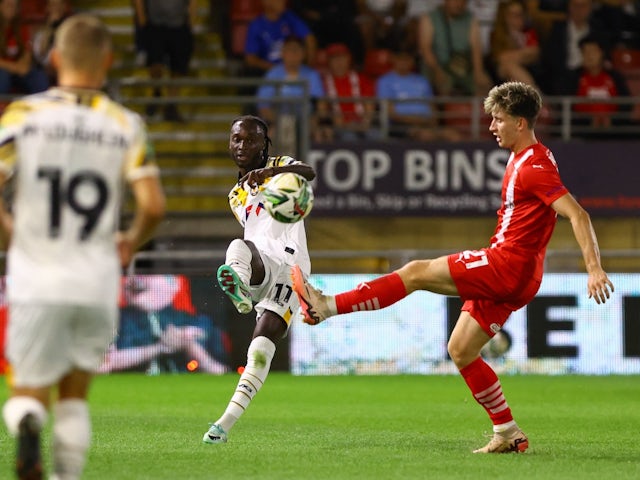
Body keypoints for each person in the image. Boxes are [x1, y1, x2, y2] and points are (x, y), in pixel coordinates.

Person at [291, 81, 614, 454]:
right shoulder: (532, 157)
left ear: (521, 123)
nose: (492, 126)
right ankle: (507, 432)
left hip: (507, 264)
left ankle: (326, 306)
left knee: (414, 272)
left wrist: (594, 268)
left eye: (499, 119)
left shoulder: (534, 167)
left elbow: (577, 213)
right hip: (520, 275)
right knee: (461, 349)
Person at [0, 14, 165, 480]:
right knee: (75, 396)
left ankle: (29, 422)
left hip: (36, 274)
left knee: (29, 392)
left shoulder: (23, 116)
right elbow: (153, 205)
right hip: (94, 278)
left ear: (53, 59)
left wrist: (9, 233)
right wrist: (129, 241)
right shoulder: (125, 124)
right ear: (108, 62)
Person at [202, 115, 316, 445]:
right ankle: (239, 285)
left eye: (250, 140)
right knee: (239, 245)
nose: (242, 145)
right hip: (260, 261)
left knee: (261, 352)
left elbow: (309, 173)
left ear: (264, 144)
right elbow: (261, 232)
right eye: (237, 139)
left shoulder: (283, 166)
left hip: (293, 270)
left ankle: (223, 426)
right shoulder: (236, 194)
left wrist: (273, 174)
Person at [98, 275, 229, 374]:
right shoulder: (117, 319)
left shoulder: (195, 321)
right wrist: (159, 348)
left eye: (149, 273)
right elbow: (105, 364)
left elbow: (219, 371)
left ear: (174, 284)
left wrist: (189, 345)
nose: (136, 280)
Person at [376, 46, 462, 141]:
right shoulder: (385, 81)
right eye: (400, 59)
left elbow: (432, 107)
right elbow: (390, 112)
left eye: (407, 59)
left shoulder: (422, 80)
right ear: (393, 59)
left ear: (412, 60)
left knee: (453, 135)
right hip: (399, 126)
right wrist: (419, 121)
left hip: (426, 124)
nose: (404, 62)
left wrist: (432, 123)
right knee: (426, 135)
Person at [256, 35, 329, 144]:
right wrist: (280, 121)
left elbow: (320, 104)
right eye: (290, 50)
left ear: (303, 54)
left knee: (320, 134)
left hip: (306, 119)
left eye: (297, 50)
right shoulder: (273, 74)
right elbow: (264, 107)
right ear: (283, 53)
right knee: (271, 136)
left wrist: (315, 119)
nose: (293, 54)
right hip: (280, 118)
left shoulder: (311, 74)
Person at [132, 0, 197, 122]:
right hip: (155, 25)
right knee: (155, 64)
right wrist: (142, 21)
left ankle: (171, 104)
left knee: (177, 68)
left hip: (179, 26)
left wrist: (191, 24)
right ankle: (157, 93)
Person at [417, 0, 492, 96]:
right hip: (437, 65)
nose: (459, 4)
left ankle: (477, 111)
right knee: (444, 85)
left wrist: (478, 72)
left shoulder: (470, 19)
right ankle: (443, 110)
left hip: (462, 65)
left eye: (463, 2)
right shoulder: (429, 18)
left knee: (485, 85)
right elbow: (425, 49)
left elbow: (476, 48)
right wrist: (437, 70)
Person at [562, 33, 632, 133]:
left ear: (602, 53)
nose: (589, 56)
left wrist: (612, 120)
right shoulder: (573, 78)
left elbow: (626, 104)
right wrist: (588, 121)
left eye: (593, 51)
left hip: (613, 131)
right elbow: (567, 108)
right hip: (581, 132)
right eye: (585, 52)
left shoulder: (615, 77)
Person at [541, 0, 608, 94]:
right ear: (569, 6)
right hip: (564, 78)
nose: (579, 10)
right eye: (575, 5)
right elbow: (550, 59)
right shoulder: (557, 29)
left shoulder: (598, 28)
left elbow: (604, 55)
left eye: (583, 6)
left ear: (590, 7)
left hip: (590, 74)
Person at [243, 0, 317, 77]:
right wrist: (276, 69)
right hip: (267, 71)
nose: (283, 2)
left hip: (292, 68)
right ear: (266, 2)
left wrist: (308, 66)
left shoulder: (289, 17)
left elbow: (310, 39)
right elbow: (250, 59)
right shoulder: (256, 25)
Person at [321, 42, 378, 141]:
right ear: (329, 61)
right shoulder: (324, 83)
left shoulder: (361, 80)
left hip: (362, 124)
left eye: (342, 57)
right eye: (335, 58)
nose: (339, 62)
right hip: (339, 126)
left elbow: (369, 106)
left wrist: (365, 123)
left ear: (349, 59)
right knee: (349, 137)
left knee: (376, 135)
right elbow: (322, 110)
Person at [488, 0, 542, 88]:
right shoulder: (496, 35)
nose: (518, 18)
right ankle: (536, 95)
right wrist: (523, 54)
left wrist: (512, 57)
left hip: (519, 74)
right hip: (501, 73)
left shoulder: (529, 33)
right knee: (508, 66)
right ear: (505, 17)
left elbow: (535, 52)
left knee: (510, 67)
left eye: (520, 14)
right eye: (513, 15)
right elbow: (499, 58)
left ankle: (531, 95)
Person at [0, 0, 49, 95]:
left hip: (18, 70)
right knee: (3, 76)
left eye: (14, 5)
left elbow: (27, 53)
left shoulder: (22, 28)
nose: (11, 8)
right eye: (8, 4)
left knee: (38, 75)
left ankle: (41, 104)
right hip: (4, 69)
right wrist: (16, 67)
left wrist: (23, 66)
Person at [32, 0, 72, 86]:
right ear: (48, 8)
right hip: (43, 68)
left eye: (59, 4)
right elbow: (41, 53)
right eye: (53, 4)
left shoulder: (72, 28)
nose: (56, 8)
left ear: (64, 7)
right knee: (39, 76)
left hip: (64, 67)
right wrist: (50, 26)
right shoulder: (39, 29)